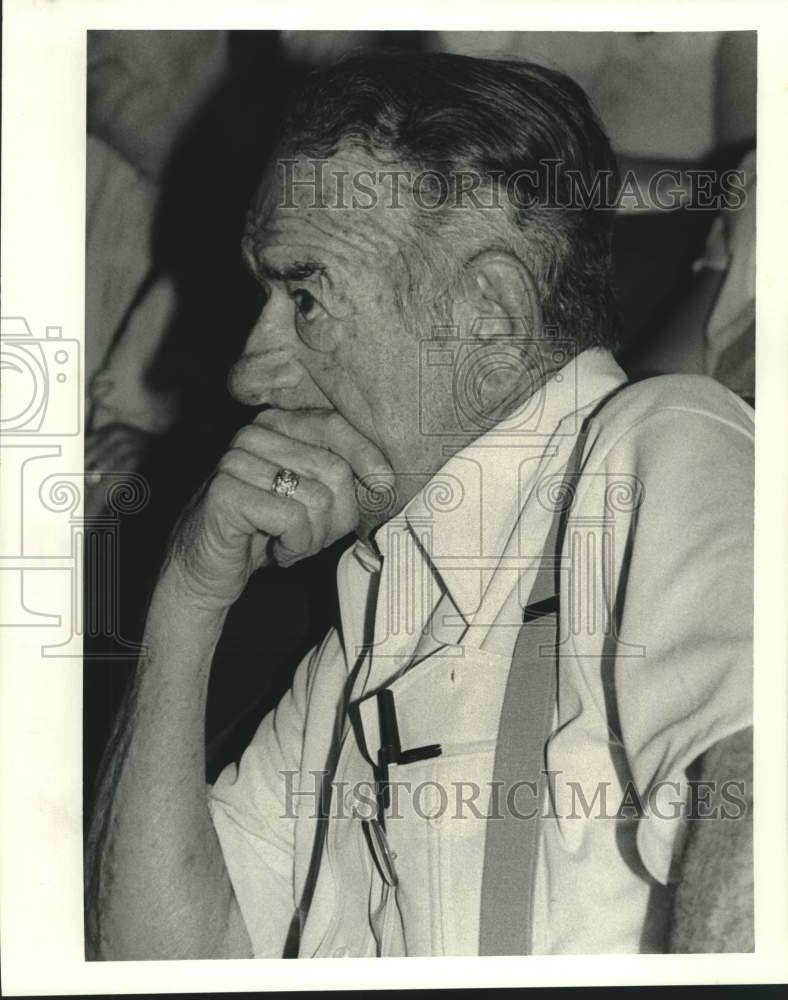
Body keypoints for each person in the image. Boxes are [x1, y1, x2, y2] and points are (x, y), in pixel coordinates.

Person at [85, 51, 754, 959]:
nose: (249, 371)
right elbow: (160, 961)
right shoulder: (367, 628)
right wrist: (185, 602)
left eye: (306, 295)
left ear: (486, 312)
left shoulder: (656, 454)